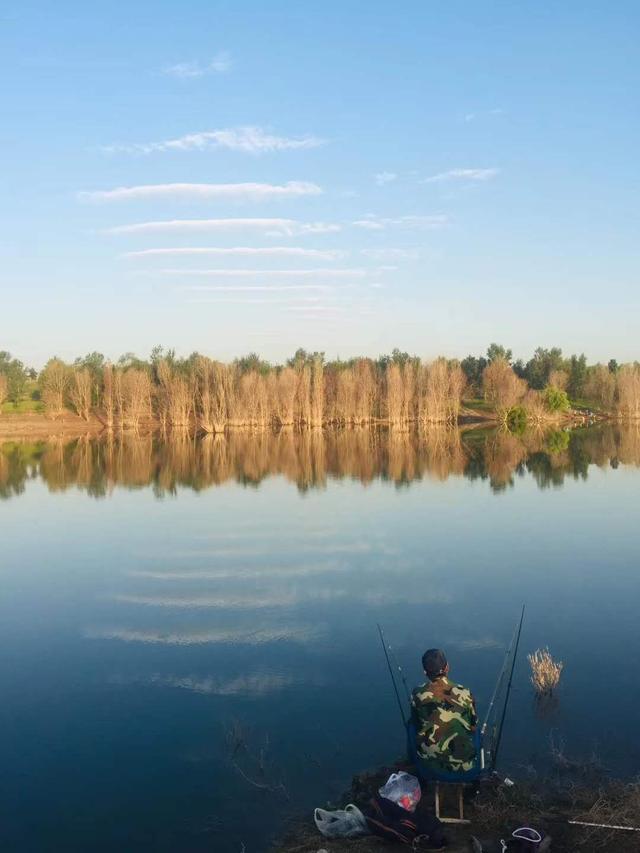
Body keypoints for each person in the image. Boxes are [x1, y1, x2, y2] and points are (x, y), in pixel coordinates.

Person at [410, 648, 478, 774]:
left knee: (411, 726)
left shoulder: (417, 694)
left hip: (428, 765)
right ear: (447, 667)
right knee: (474, 731)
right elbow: (473, 727)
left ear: (425, 672)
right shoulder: (465, 693)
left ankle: (415, 764)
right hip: (466, 766)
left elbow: (416, 723)